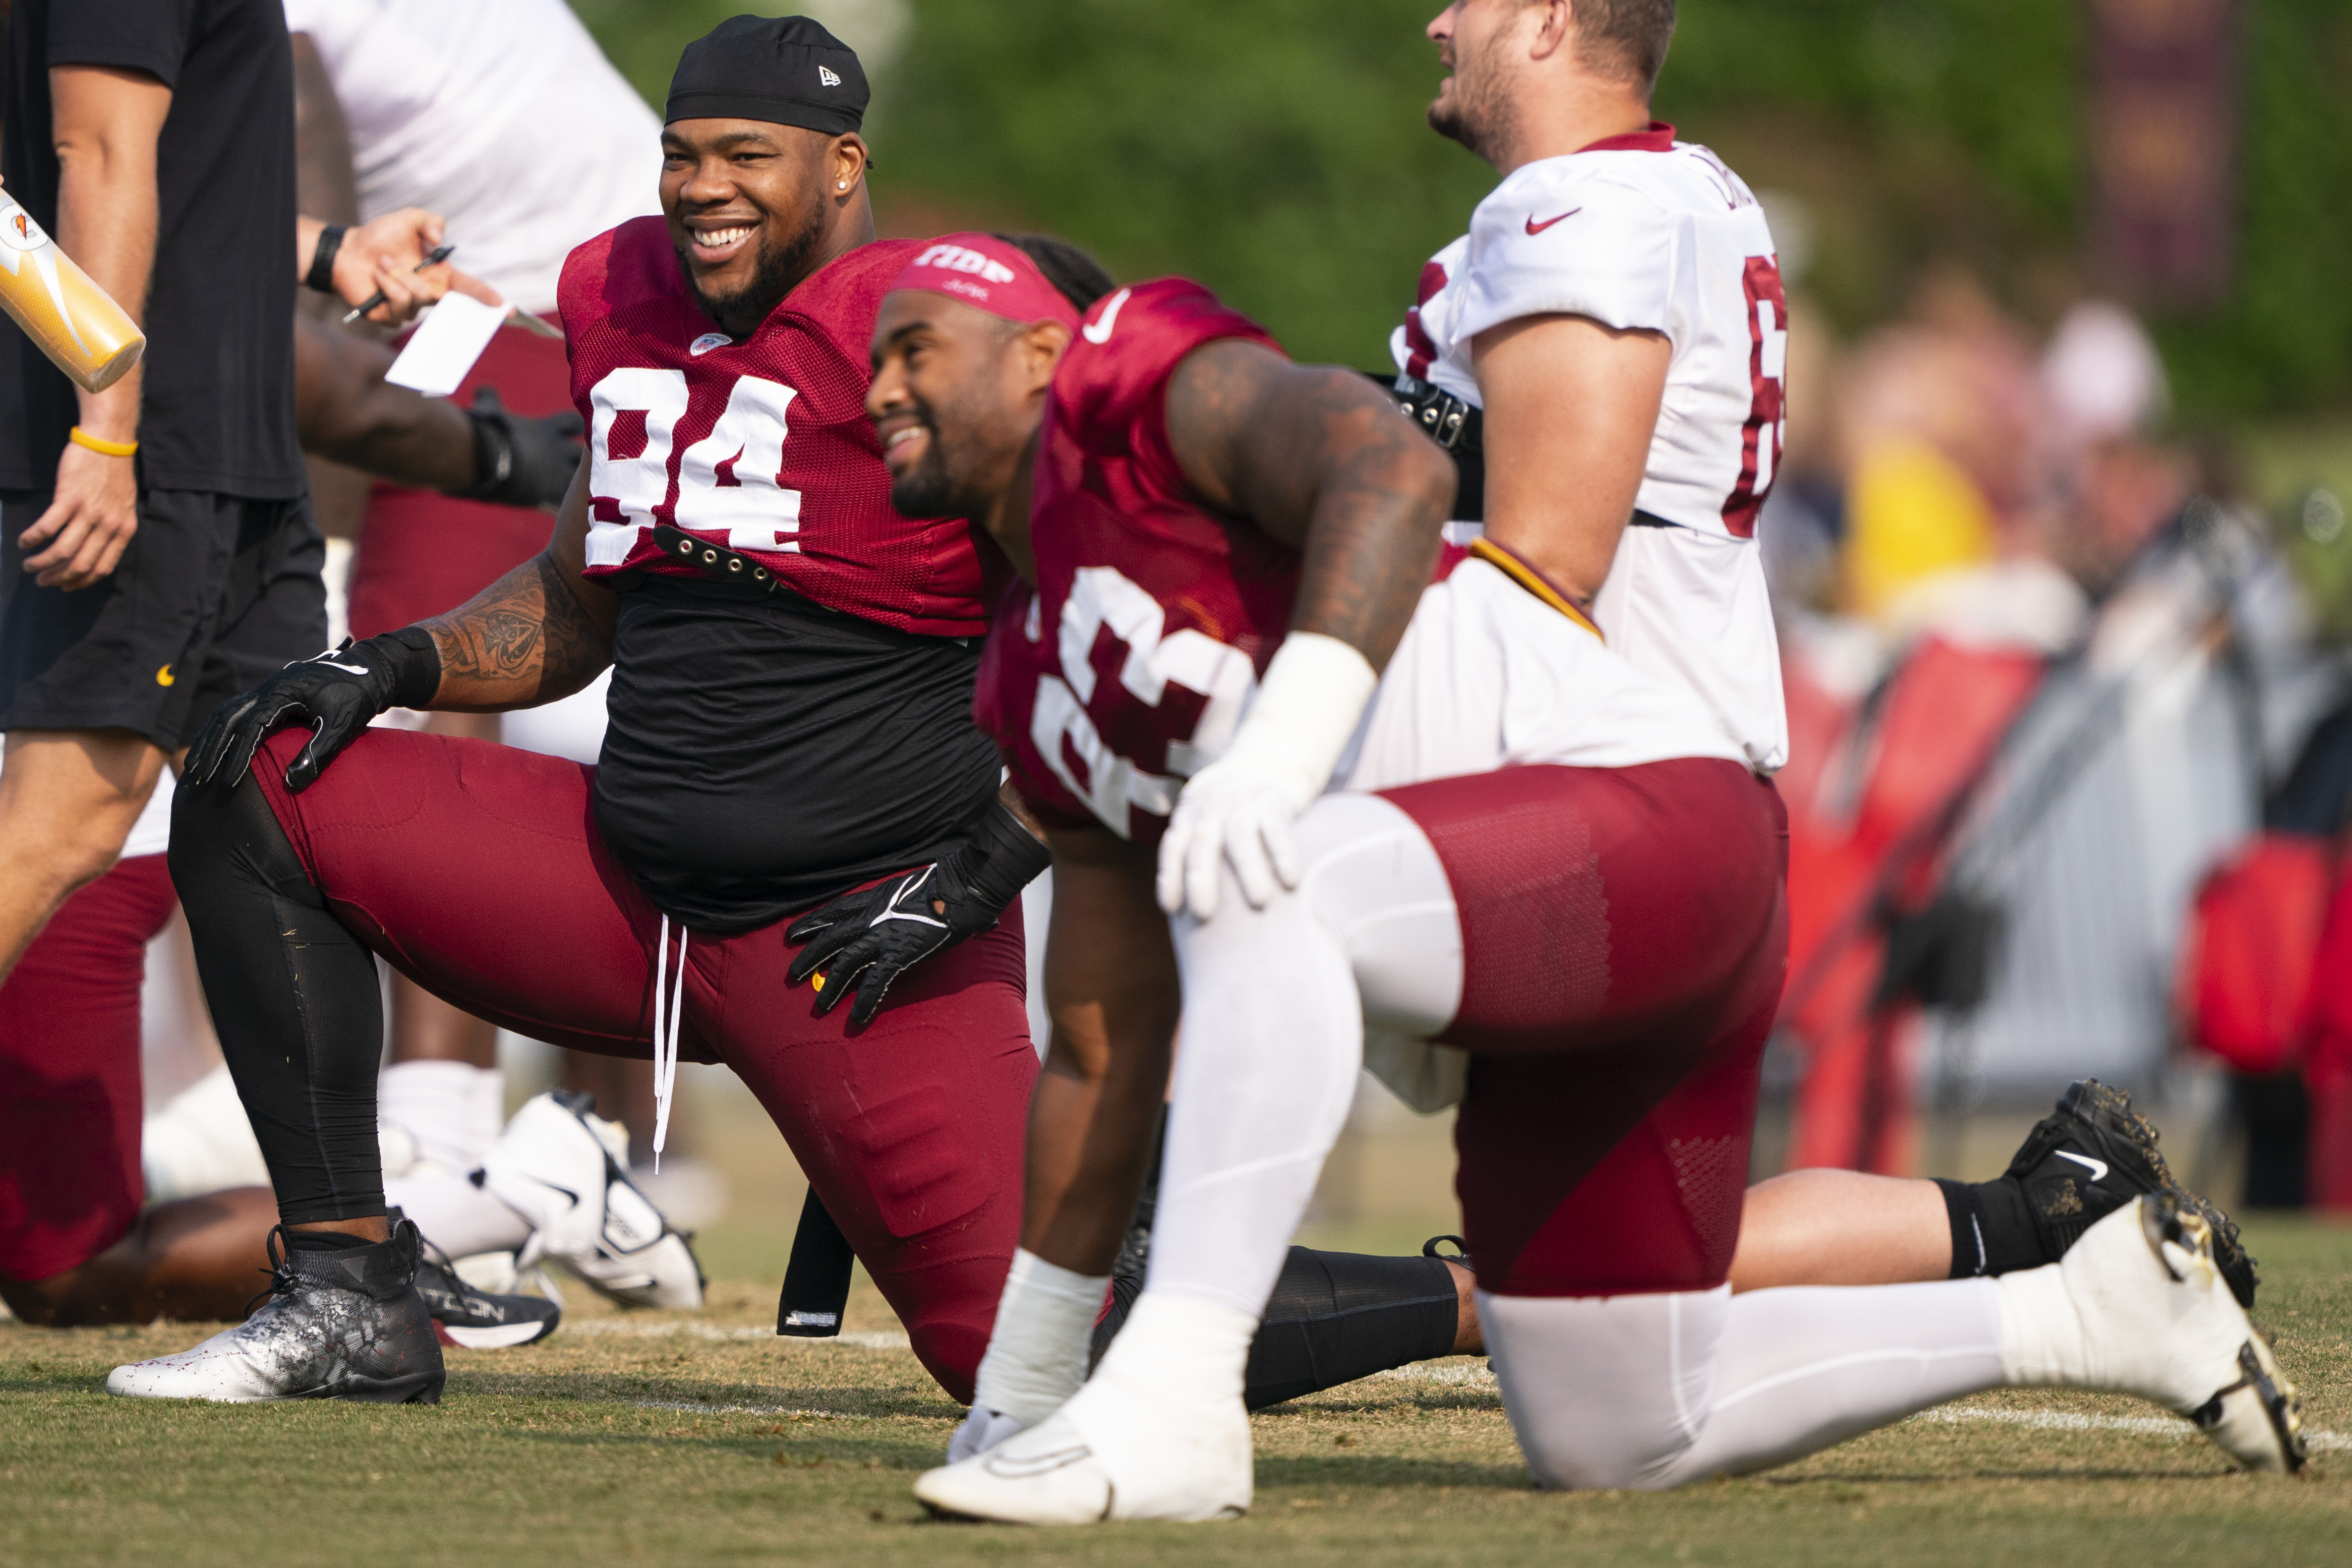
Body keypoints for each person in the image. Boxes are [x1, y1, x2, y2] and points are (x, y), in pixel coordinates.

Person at [839, 226, 2295, 1524]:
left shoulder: (1140, 383)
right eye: (873, 361)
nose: (882, 386)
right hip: (1518, 947)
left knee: (1259, 862)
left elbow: (1393, 467)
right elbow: (1100, 1043)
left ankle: (1179, 1408)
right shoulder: (1030, 675)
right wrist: (1021, 1389)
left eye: (917, 348)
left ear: (1042, 354)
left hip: (1651, 827)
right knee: (1622, 1429)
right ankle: (2091, 1312)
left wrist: (1279, 749)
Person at [104, 16, 1046, 1406]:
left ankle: (1453, 1300)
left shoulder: (941, 327)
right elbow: (574, 598)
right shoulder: (620, 289)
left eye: (748, 156)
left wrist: (986, 863)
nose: (704, 186)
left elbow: (1118, 625)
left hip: (858, 936)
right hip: (629, 891)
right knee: (261, 775)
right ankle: (351, 1290)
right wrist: (395, 665)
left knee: (1029, 1353)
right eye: (682, 155)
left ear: (844, 166)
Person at [0, 290, 582, 1338]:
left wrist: (495, 457)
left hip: (66, 814)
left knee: (67, 1273)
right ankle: (445, 1212)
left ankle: (490, 1198)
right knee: (65, 1267)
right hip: (93, 782)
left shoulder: (106, 222)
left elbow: (315, 374)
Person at [283, 0, 671, 1168]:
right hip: (597, 308)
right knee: (581, 722)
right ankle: (602, 1156)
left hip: (511, 313)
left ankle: (437, 1131)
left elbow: (289, 257)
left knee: (393, 702)